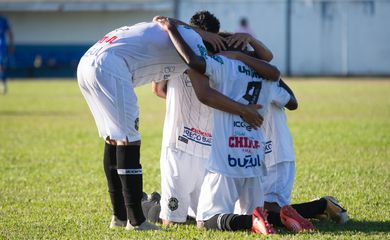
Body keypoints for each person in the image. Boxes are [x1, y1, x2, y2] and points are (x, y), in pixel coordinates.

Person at [77, 20, 263, 231]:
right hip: (110, 66)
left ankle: (120, 217)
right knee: (128, 140)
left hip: (88, 62)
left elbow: (165, 20)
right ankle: (136, 221)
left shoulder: (182, 31)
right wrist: (243, 109)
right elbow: (204, 91)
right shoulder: (194, 43)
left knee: (113, 138)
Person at [155, 16, 290, 235]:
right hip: (243, 154)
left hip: (216, 153)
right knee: (192, 214)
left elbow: (197, 87)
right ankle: (262, 219)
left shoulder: (216, 62)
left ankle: (150, 203)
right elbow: (275, 73)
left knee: (200, 219)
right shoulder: (253, 71)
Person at [261, 79, 349, 230]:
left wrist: (272, 75)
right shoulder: (231, 66)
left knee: (265, 213)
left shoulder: (260, 71)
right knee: (248, 211)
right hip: (252, 151)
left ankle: (322, 205)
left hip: (275, 153)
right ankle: (314, 209)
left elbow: (292, 102)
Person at [0, 15, 14, 95]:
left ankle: (3, 85)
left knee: (1, 67)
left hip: (2, 47)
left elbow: (10, 33)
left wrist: (11, 45)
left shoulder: (3, 20)